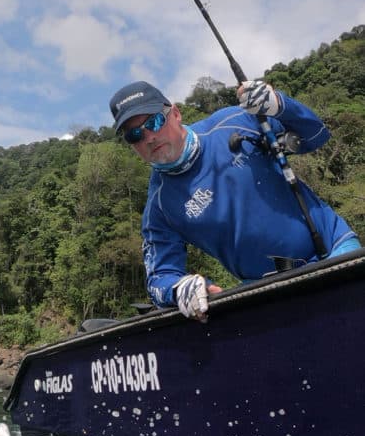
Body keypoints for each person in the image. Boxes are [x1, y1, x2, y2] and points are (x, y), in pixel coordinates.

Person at [109, 78, 360, 322]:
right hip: (266, 291)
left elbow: (316, 135)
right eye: (134, 135)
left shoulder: (234, 121)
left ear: (175, 114)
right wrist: (178, 289)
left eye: (154, 122)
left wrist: (280, 104)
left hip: (335, 249)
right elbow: (159, 277)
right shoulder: (159, 207)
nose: (149, 137)